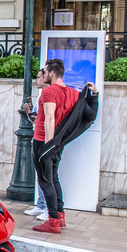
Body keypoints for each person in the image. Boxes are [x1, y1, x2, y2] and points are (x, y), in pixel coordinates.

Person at [32, 59, 99, 234]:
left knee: (45, 180)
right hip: (59, 143)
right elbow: (91, 115)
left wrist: (47, 147)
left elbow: (49, 119)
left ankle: (52, 221)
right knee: (53, 178)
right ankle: (60, 216)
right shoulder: (74, 94)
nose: (44, 75)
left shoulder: (49, 92)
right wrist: (95, 96)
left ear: (52, 73)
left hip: (44, 142)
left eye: (45, 72)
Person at [23, 68, 50, 220]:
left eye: (39, 77)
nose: (36, 80)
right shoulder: (41, 96)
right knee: (41, 175)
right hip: (39, 138)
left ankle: (48, 207)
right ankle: (41, 205)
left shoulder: (49, 95)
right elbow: (36, 119)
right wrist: (28, 112)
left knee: (47, 175)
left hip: (46, 140)